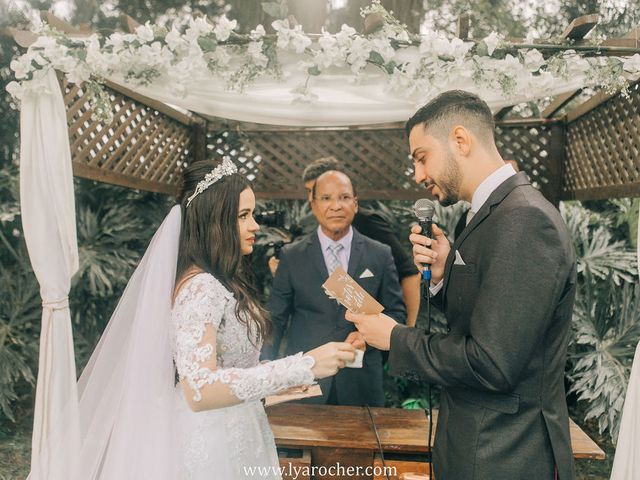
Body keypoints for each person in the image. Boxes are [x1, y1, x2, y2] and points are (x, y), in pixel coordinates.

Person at [29, 158, 355, 480]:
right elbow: (198, 390)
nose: (256, 225)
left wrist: (288, 380)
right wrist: (304, 365)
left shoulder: (219, 281)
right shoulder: (200, 288)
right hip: (212, 443)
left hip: (240, 431)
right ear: (214, 222)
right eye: (243, 216)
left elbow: (231, 370)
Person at [345, 91, 576, 479]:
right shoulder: (490, 213)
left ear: (460, 140)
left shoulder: (524, 220)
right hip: (474, 443)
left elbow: (492, 363)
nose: (418, 175)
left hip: (504, 454)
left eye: (421, 157)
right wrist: (442, 275)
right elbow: (486, 320)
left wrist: (395, 337)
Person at [264, 170, 406, 407]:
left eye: (344, 197)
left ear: (356, 204)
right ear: (313, 204)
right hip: (306, 382)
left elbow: (396, 313)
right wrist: (265, 373)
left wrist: (367, 336)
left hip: (361, 383)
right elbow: (275, 320)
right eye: (326, 198)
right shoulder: (292, 256)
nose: (336, 206)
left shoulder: (379, 254)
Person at [268, 156, 421, 327]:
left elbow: (408, 274)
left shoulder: (367, 223)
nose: (333, 205)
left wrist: (404, 334)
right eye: (317, 194)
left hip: (366, 339)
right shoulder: (307, 226)